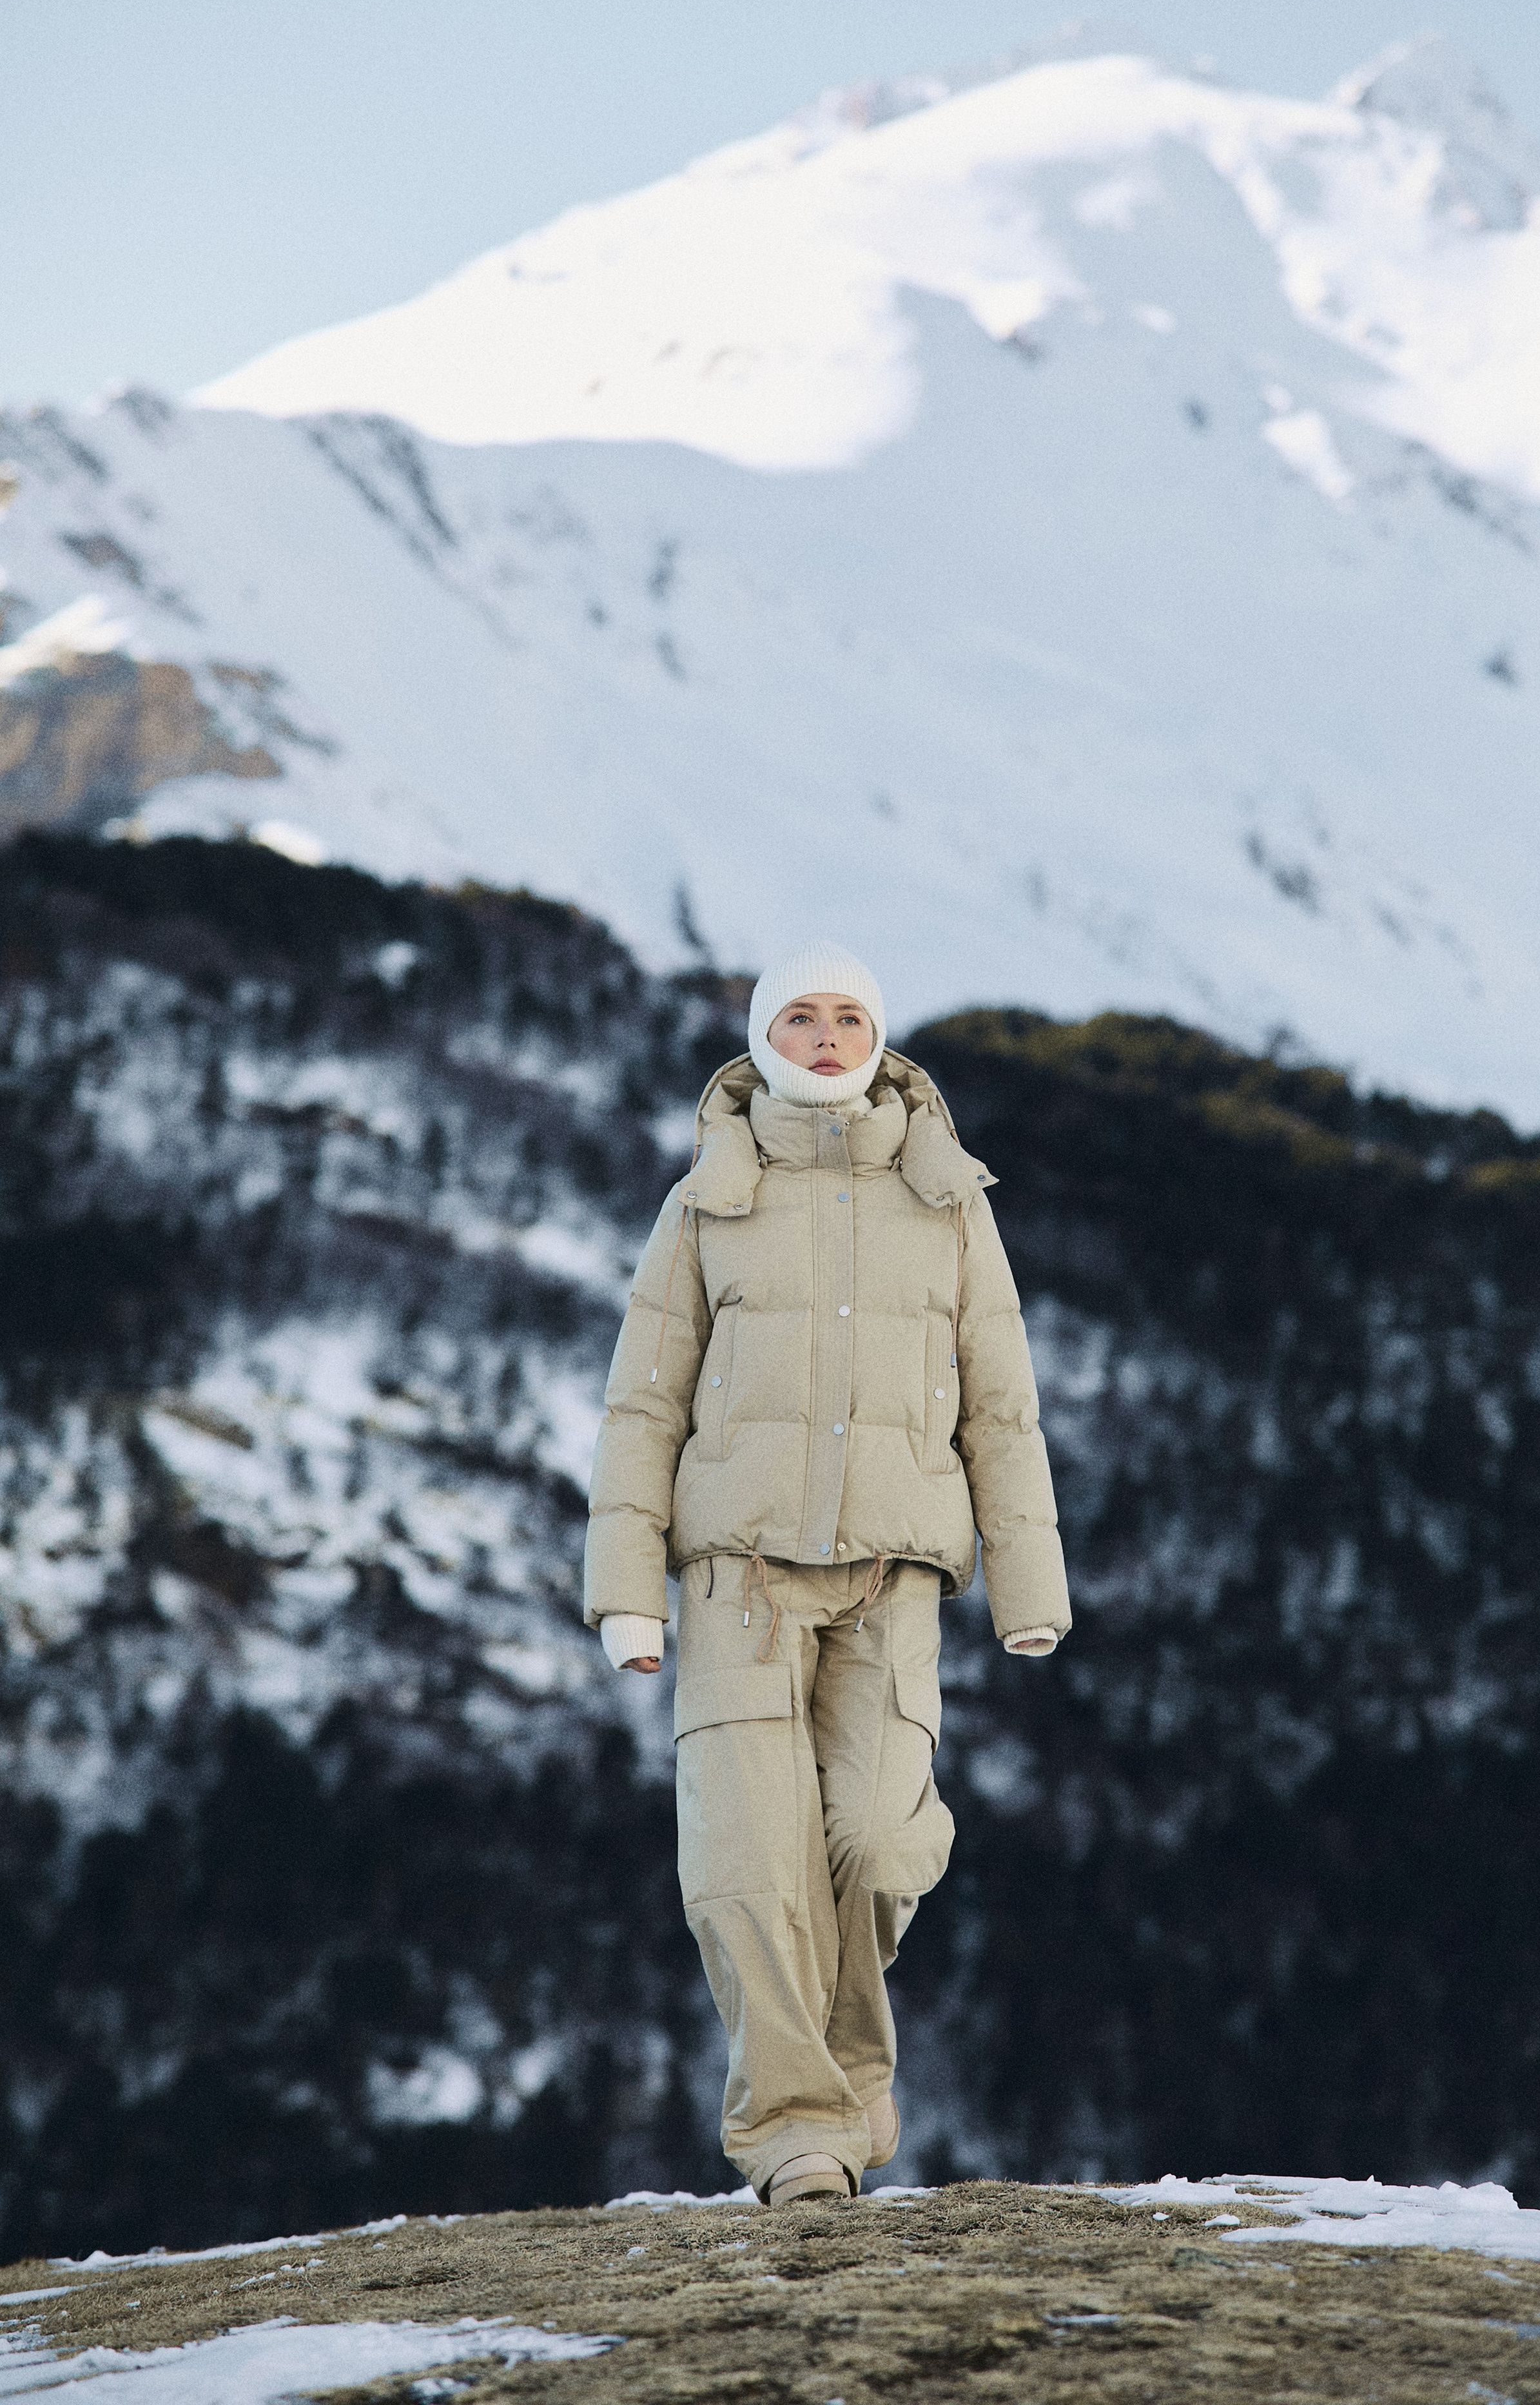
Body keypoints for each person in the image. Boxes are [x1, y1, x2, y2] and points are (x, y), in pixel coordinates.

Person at [584, 939, 1069, 2205]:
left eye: (847, 1015)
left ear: (878, 1037)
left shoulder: (947, 1198)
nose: (824, 1035)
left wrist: (1029, 1590)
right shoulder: (708, 1199)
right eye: (798, 1016)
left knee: (874, 1838)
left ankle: (850, 2072)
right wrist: (626, 1591)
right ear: (762, 1038)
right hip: (735, 1578)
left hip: (889, 1579)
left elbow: (1001, 1404)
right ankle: (797, 2133)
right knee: (751, 1863)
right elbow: (643, 1405)